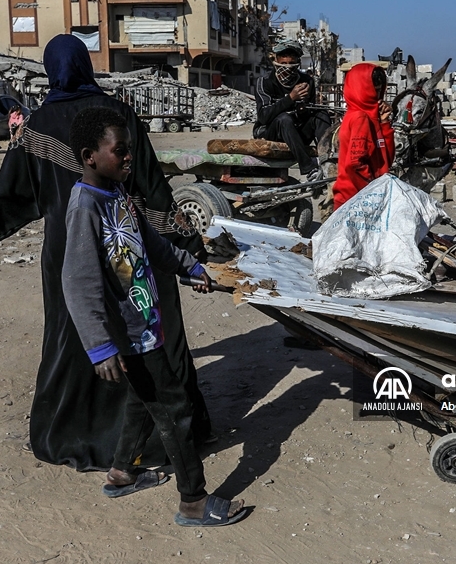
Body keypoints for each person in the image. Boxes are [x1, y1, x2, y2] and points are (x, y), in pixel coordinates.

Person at [0, 33, 214, 474]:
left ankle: (76, 436)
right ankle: (157, 445)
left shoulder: (37, 126)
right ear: (85, 65)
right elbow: (152, 188)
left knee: (78, 336)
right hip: (126, 247)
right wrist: (187, 247)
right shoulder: (117, 115)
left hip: (70, 251)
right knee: (146, 338)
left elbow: (5, 195)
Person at [62, 106, 245, 527]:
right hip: (128, 331)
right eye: (120, 151)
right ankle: (193, 501)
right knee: (175, 408)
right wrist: (100, 346)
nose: (130, 157)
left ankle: (122, 472)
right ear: (90, 156)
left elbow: (151, 244)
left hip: (144, 321)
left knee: (142, 400)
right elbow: (78, 281)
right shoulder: (85, 206)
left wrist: (191, 267)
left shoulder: (117, 195)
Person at [253, 39, 330, 180]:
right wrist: (290, 98)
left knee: (321, 114)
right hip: (271, 131)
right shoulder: (264, 82)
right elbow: (263, 116)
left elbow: (310, 112)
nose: (287, 67)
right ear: (276, 60)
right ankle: (309, 168)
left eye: (291, 63)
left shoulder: (306, 81)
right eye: (283, 63)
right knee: (284, 119)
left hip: (296, 131)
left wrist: (303, 108)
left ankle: (327, 161)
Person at [332, 63, 394, 211]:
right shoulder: (360, 118)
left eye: (379, 91)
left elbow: (386, 160)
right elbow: (355, 164)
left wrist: (384, 124)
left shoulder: (369, 117)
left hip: (364, 199)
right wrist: (373, 189)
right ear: (361, 90)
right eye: (373, 91)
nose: (377, 97)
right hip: (356, 201)